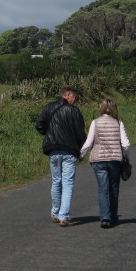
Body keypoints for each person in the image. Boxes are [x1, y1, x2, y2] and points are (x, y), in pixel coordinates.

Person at [36, 86, 86, 227]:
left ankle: (55, 212)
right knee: (67, 183)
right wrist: (82, 149)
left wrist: (49, 133)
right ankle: (64, 216)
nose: (75, 100)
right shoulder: (74, 111)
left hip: (52, 149)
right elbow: (80, 133)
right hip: (69, 150)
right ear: (68, 95)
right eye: (74, 97)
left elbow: (39, 126)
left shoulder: (48, 107)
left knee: (56, 181)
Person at [80, 98, 130, 229]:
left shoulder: (95, 122)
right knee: (114, 188)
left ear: (101, 109)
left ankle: (105, 217)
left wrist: (80, 155)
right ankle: (113, 216)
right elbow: (125, 144)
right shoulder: (119, 123)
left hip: (99, 160)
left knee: (102, 189)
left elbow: (88, 142)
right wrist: (126, 158)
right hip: (115, 160)